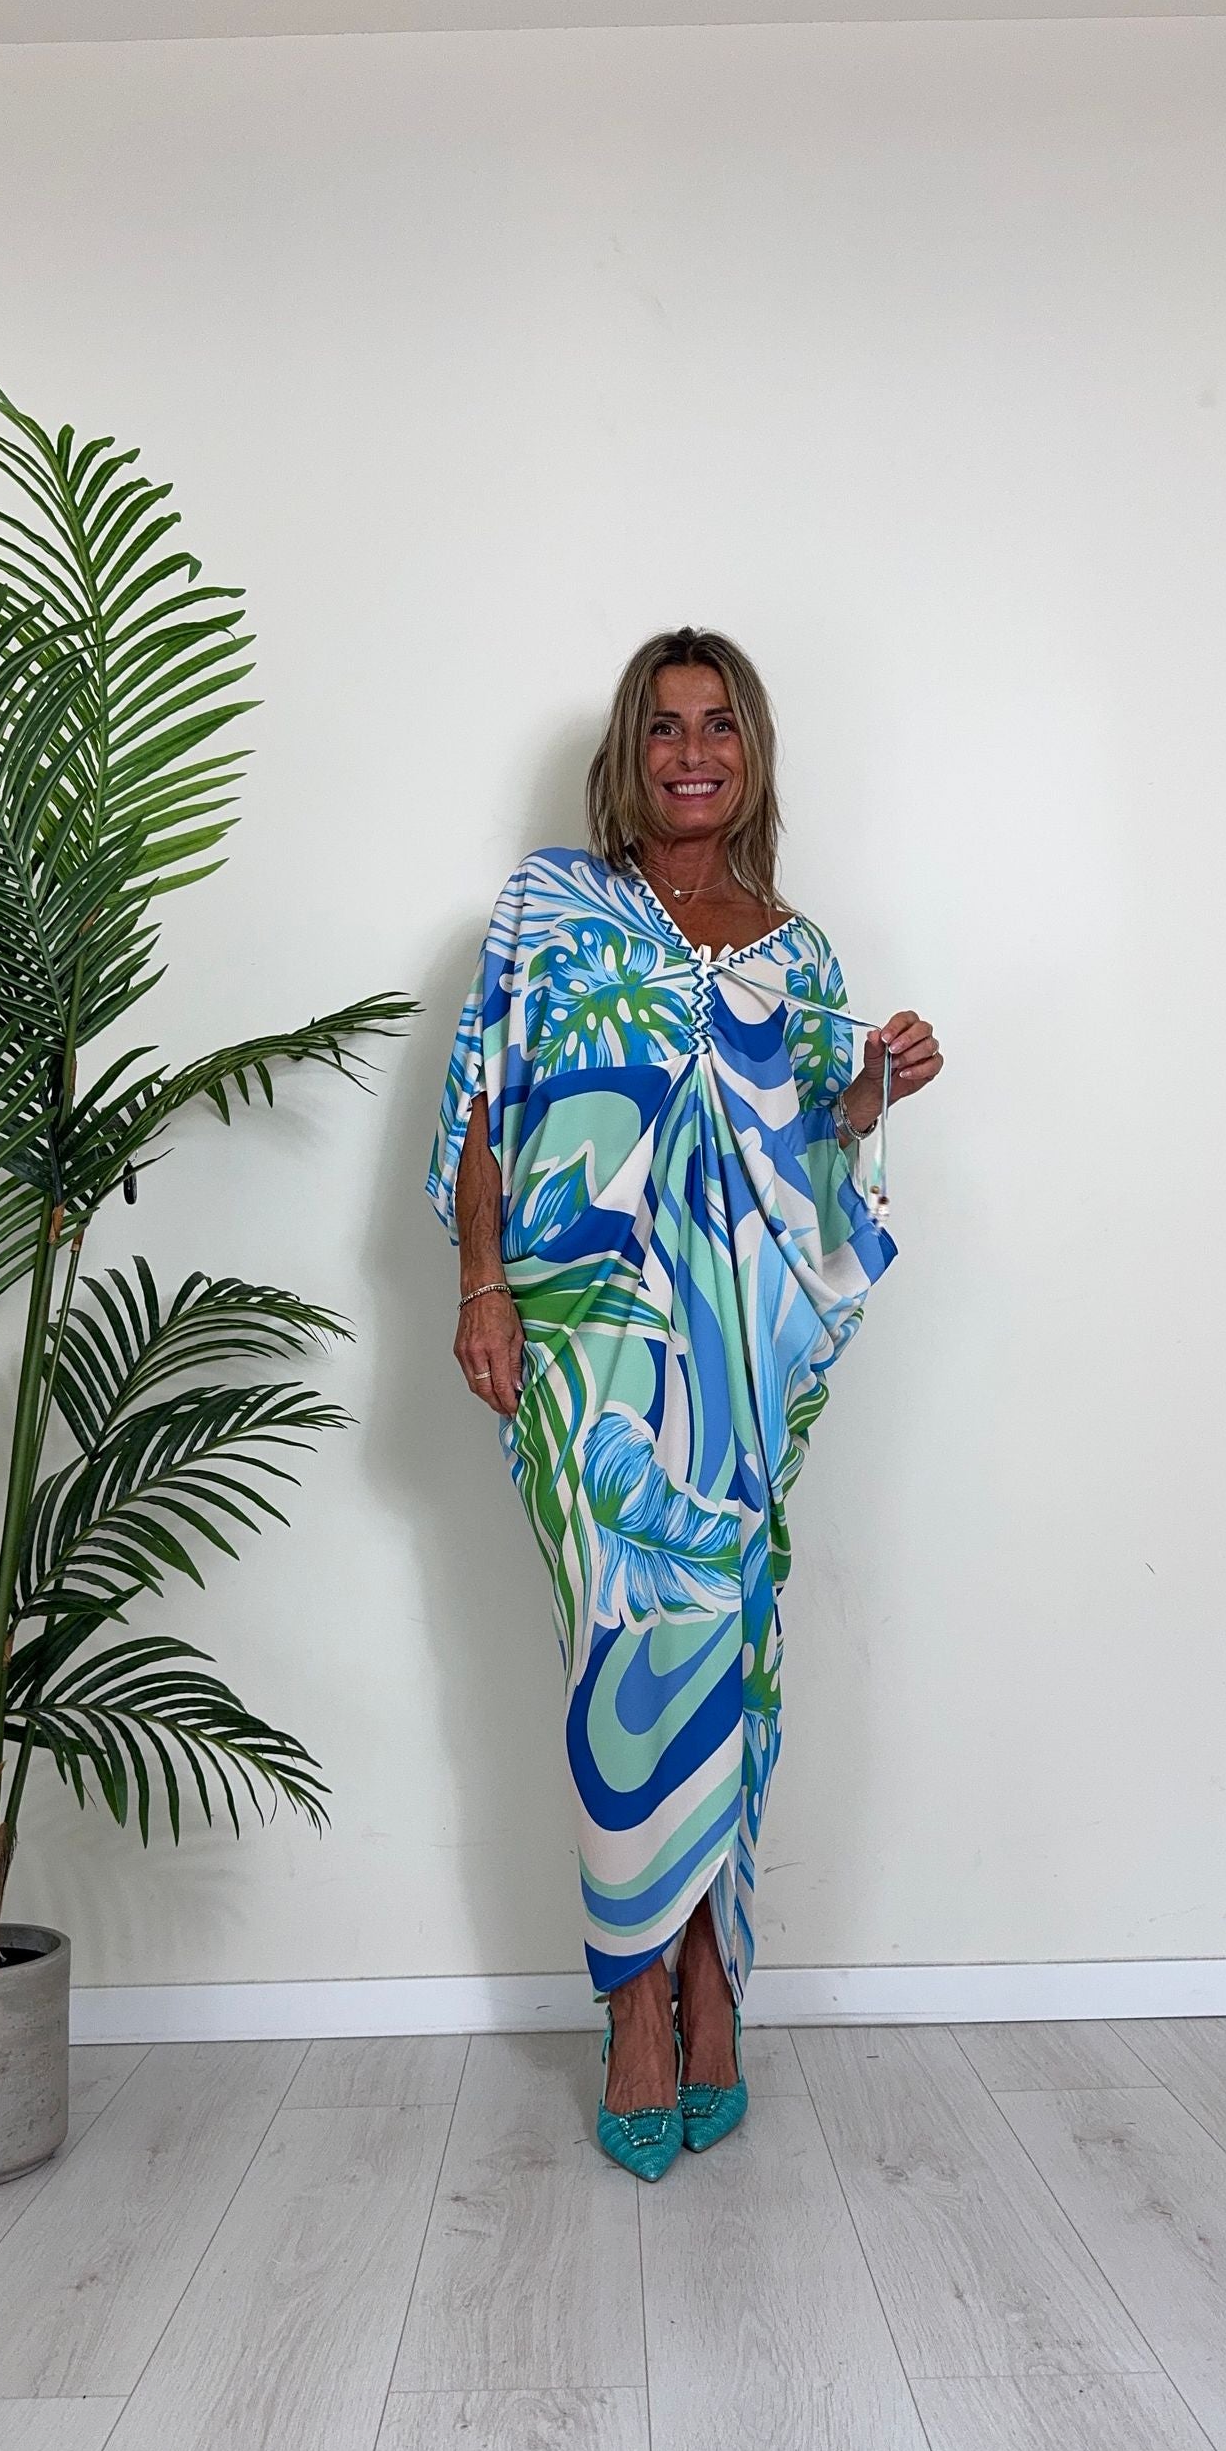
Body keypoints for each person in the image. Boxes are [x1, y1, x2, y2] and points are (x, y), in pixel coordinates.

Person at [426, 627, 942, 2178]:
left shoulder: (801, 953)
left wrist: (870, 1094)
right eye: (664, 726)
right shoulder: (551, 908)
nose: (692, 752)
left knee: (730, 1648)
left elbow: (810, 1157)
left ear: (752, 752)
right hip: (579, 1337)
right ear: (629, 752)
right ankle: (632, 2005)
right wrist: (481, 1283)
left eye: (719, 725)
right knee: (616, 1647)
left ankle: (709, 1978)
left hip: (735, 1360)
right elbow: (481, 1102)